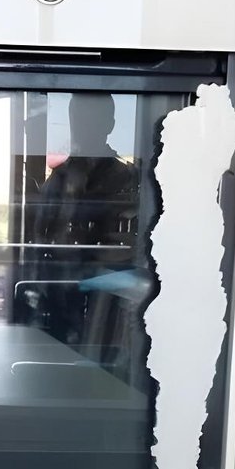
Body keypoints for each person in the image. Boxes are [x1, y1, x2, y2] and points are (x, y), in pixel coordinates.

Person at [32, 94, 139, 364]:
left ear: (109, 123)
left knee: (102, 364)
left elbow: (136, 244)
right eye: (78, 118)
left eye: (92, 119)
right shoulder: (58, 180)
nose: (82, 126)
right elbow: (38, 238)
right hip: (60, 290)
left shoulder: (127, 179)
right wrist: (40, 286)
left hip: (108, 294)